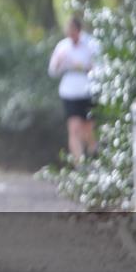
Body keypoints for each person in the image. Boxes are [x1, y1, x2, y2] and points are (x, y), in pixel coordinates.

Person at [48, 16, 99, 165]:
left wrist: (84, 67)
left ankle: (94, 157)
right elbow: (52, 71)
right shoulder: (63, 46)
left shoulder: (91, 44)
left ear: (79, 30)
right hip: (70, 92)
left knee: (88, 129)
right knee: (74, 127)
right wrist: (59, 62)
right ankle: (79, 164)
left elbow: (99, 67)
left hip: (88, 90)